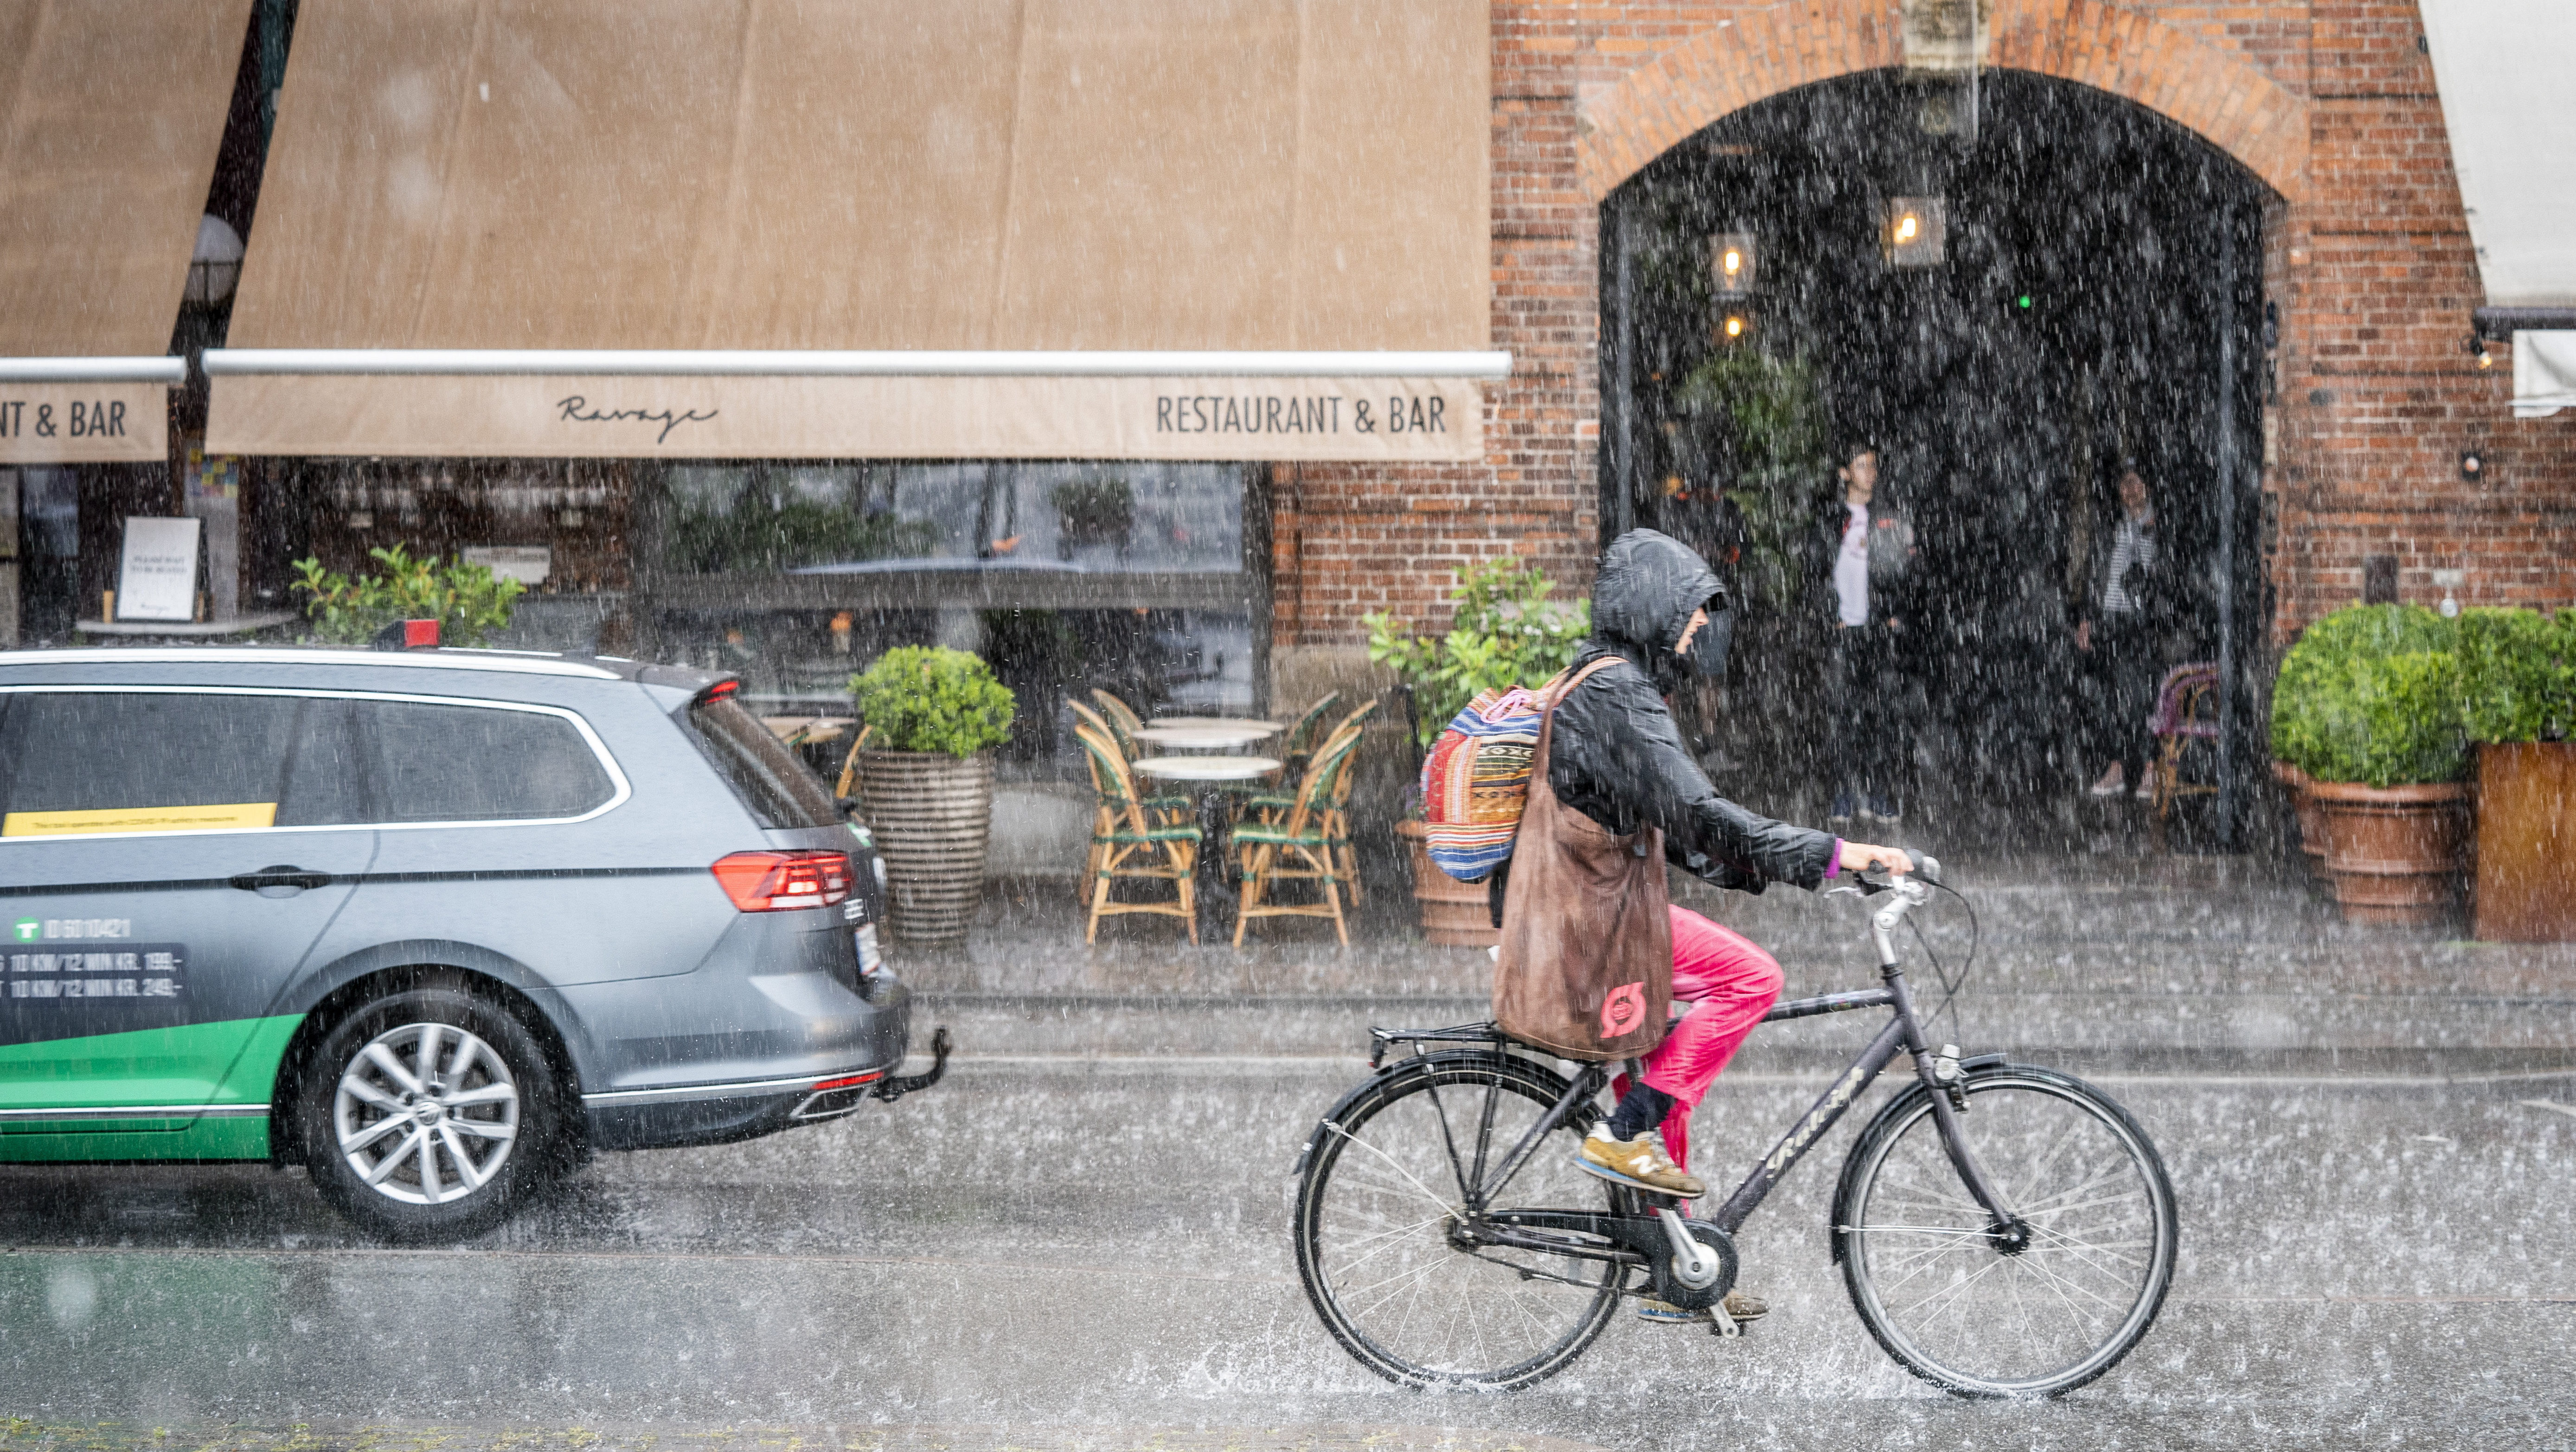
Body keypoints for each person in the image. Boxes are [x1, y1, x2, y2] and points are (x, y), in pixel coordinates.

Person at [1542, 528, 1911, 1325]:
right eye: (1687, 615)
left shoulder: (1604, 682)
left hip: (1587, 906)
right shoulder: (1618, 693)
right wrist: (1830, 854)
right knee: (1751, 979)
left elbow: (1673, 827)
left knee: (1671, 1055)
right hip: (1596, 916)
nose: (1694, 633)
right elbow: (1700, 814)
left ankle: (1674, 1263)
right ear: (1650, 608)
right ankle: (1622, 1129)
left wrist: (1770, 870)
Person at [1810, 442, 1916, 825]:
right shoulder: (1830, 516)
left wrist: (1894, 614)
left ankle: (1878, 792)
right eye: (1861, 465)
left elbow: (1904, 568)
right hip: (1844, 632)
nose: (1870, 471)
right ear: (1845, 473)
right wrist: (1827, 616)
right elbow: (1814, 570)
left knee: (1881, 715)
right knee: (1841, 715)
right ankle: (1843, 793)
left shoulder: (1887, 516)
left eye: (1873, 464)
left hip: (1878, 632)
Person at [2078, 463, 2165, 800]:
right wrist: (2087, 618)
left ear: (2147, 486)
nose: (2130, 490)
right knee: (2111, 698)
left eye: (2135, 482)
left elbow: (2168, 575)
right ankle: (2116, 769)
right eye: (2124, 484)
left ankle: (2149, 770)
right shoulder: (2111, 527)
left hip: (2143, 622)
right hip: (2110, 618)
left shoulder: (2160, 524)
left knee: (2145, 697)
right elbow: (2095, 572)